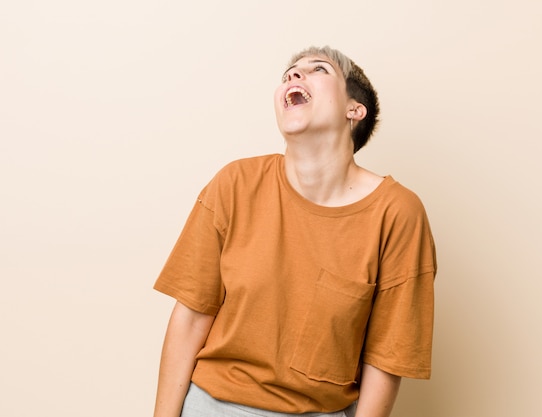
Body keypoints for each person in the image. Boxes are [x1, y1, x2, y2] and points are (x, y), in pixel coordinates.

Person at [153, 46, 437, 417]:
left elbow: (386, 359)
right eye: (289, 72)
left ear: (354, 109)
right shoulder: (235, 184)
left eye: (318, 69)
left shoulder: (397, 214)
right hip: (211, 405)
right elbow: (190, 320)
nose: (293, 76)